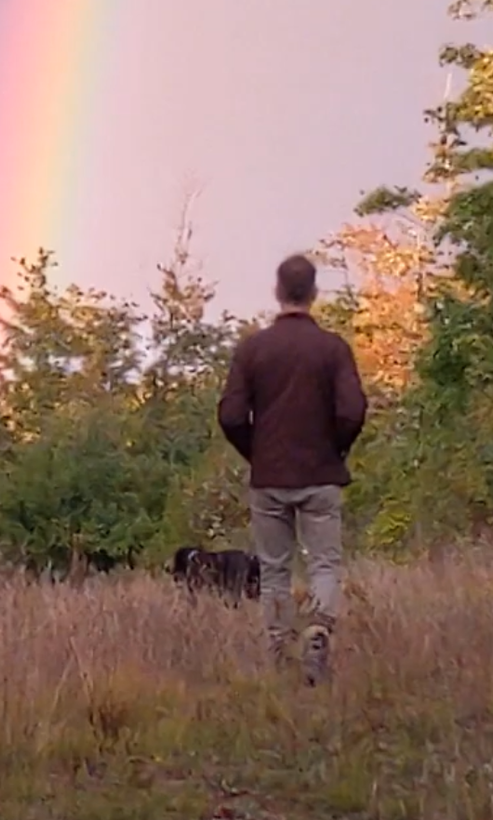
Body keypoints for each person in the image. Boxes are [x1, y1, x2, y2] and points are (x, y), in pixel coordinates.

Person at [216, 252, 367, 687]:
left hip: (270, 479)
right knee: (324, 565)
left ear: (277, 291)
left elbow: (230, 416)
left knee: (274, 570)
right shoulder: (333, 349)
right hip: (321, 474)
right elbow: (353, 410)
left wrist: (257, 452)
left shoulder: (252, 350)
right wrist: (334, 449)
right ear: (314, 293)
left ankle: (280, 653)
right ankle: (318, 630)